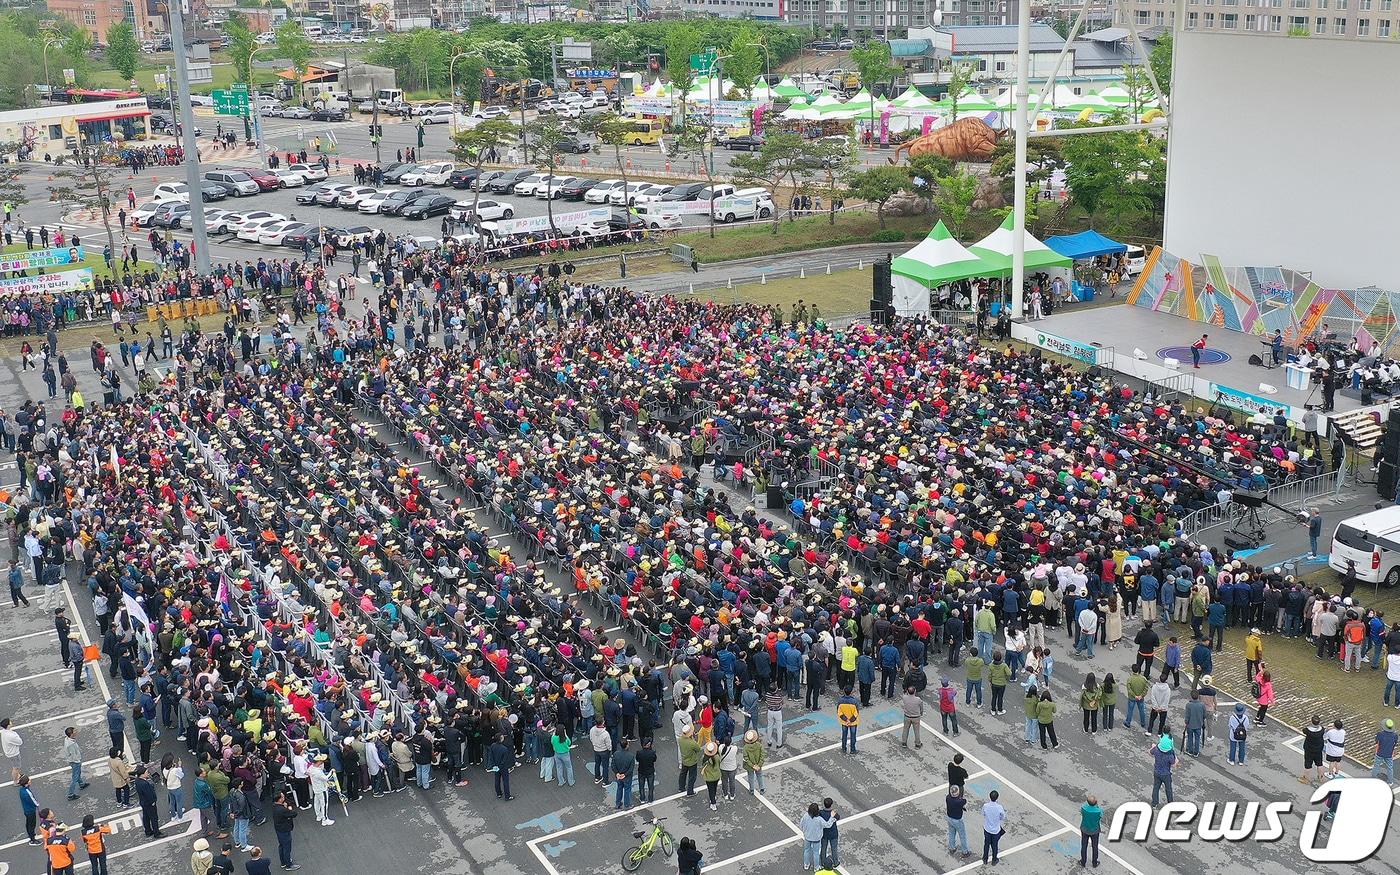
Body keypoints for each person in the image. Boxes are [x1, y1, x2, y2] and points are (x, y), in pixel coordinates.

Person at [271, 791, 300, 870]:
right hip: (284, 830)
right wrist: (288, 808)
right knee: (287, 847)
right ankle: (288, 865)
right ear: (280, 799)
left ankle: (283, 862)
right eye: (283, 797)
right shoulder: (282, 810)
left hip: (279, 829)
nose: (284, 798)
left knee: (281, 846)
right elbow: (294, 814)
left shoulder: (274, 806)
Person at [134, 766, 163, 838]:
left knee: (146, 817)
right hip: (149, 803)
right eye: (146, 772)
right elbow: (148, 794)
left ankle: (148, 831)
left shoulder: (137, 780)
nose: (148, 773)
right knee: (154, 818)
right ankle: (157, 833)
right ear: (142, 774)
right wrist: (152, 801)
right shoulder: (144, 783)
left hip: (143, 802)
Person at [981, 790, 1006, 865]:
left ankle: (985, 858)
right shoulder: (999, 807)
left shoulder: (985, 806)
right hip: (995, 830)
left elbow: (983, 813)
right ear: (997, 798)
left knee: (986, 844)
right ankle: (994, 859)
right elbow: (1003, 817)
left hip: (987, 828)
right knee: (995, 845)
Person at [487, 733, 515, 800]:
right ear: (501, 739)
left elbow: (491, 756)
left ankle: (498, 793)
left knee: (497, 780)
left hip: (496, 766)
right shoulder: (504, 749)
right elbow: (504, 760)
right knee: (505, 781)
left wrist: (494, 765)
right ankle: (507, 796)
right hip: (503, 767)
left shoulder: (492, 745)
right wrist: (501, 766)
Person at [63, 727, 88, 800]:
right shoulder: (70, 744)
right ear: (71, 734)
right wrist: (78, 761)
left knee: (77, 773)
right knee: (75, 778)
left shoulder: (68, 740)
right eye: (74, 731)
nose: (76, 732)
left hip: (73, 761)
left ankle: (81, 784)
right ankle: (70, 794)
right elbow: (73, 755)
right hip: (75, 762)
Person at [946, 784, 971, 857]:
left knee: (951, 833)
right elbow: (965, 801)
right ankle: (965, 851)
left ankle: (952, 847)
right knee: (962, 835)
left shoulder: (948, 798)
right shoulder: (960, 801)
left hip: (949, 818)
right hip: (957, 820)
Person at [800, 803, 826, 871]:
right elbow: (827, 825)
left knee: (806, 850)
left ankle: (806, 864)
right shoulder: (819, 819)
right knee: (816, 853)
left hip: (807, 837)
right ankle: (816, 867)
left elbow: (801, 824)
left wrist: (804, 831)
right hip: (816, 838)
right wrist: (832, 818)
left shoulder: (806, 816)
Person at [1151, 735, 1176, 806]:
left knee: (1156, 787)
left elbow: (1150, 752)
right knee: (1168, 789)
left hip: (1157, 772)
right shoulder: (1170, 756)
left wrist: (1153, 746)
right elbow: (1173, 764)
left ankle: (1154, 803)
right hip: (1166, 774)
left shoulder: (1156, 749)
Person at [1080, 793, 1103, 868]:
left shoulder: (1084, 808)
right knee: (1095, 846)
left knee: (1084, 846)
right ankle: (1094, 863)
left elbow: (1081, 812)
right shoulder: (1099, 810)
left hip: (1085, 829)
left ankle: (1083, 862)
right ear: (1096, 802)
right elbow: (1100, 817)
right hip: (1094, 830)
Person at [611, 738, 635, 810]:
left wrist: (617, 773)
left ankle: (618, 803)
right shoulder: (631, 756)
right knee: (627, 789)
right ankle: (627, 805)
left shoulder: (616, 754)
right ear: (627, 745)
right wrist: (625, 774)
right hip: (627, 776)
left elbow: (613, 765)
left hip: (619, 775)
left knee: (619, 788)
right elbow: (631, 769)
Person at [1373, 719, 1398, 785]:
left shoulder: (1380, 734)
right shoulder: (1395, 736)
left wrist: (1376, 750)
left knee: (1376, 766)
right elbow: (1395, 744)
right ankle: (1390, 782)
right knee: (1390, 767)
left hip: (1379, 753)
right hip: (1389, 754)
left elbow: (1377, 743)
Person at [700, 741, 722, 811]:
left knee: (710, 790)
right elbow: (719, 763)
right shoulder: (717, 757)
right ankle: (714, 798)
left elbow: (702, 765)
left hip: (709, 777)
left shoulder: (705, 758)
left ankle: (713, 803)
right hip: (716, 776)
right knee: (715, 787)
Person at [836, 688, 859, 754]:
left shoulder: (840, 701)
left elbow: (839, 712)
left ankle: (843, 748)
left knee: (844, 735)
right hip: (853, 722)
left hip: (844, 722)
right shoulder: (854, 701)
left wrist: (846, 720)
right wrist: (850, 720)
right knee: (853, 736)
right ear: (851, 692)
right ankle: (852, 749)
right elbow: (856, 713)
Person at [742, 729, 765, 795]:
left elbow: (746, 758)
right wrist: (759, 765)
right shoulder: (759, 745)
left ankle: (752, 789)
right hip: (758, 764)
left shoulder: (745, 748)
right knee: (759, 775)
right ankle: (762, 788)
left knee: (750, 776)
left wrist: (752, 765)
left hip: (750, 766)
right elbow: (762, 755)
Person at [819, 797, 840, 868]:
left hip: (824, 834)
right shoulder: (834, 813)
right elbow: (838, 817)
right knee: (834, 848)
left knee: (823, 848)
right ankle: (835, 862)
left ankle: (822, 862)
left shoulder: (821, 813)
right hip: (833, 833)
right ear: (831, 804)